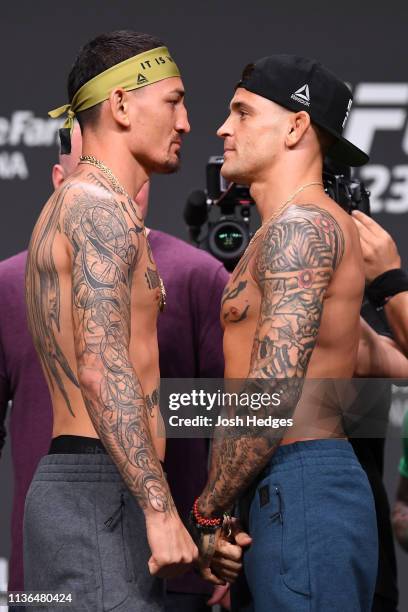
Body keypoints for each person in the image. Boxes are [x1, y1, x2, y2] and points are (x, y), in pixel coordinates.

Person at [191, 55, 379, 611]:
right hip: (275, 489)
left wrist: (206, 509)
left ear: (296, 125)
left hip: (303, 482)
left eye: (243, 113)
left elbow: (271, 393)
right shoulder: (282, 230)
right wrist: (229, 511)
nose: (223, 129)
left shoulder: (303, 227)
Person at [24, 30, 199, 611]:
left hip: (94, 489)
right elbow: (101, 368)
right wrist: (159, 508)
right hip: (102, 491)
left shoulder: (85, 205)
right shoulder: (99, 212)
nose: (186, 123)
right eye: (173, 101)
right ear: (122, 105)